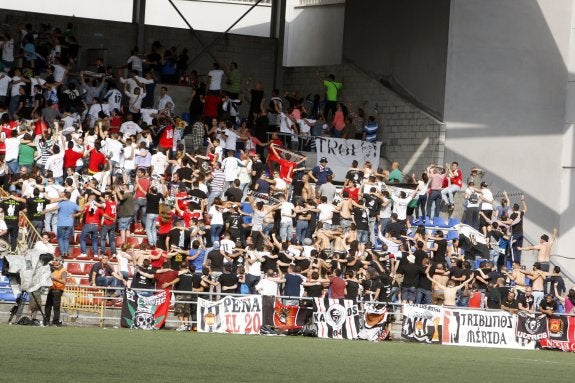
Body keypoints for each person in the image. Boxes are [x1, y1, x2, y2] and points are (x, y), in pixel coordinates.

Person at [44, 257, 67, 327]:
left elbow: (64, 281)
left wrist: (55, 279)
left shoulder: (63, 271)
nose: (54, 261)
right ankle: (46, 321)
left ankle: (55, 322)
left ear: (61, 262)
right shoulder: (53, 269)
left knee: (56, 307)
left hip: (58, 290)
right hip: (51, 289)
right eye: (54, 260)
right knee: (47, 306)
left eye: (56, 260)